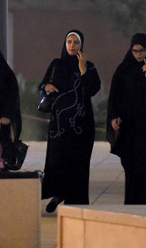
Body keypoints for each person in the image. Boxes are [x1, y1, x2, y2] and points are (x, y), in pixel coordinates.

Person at [39, 29, 101, 213]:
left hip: (81, 125)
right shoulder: (56, 64)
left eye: (76, 42)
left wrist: (83, 71)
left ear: (81, 45)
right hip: (59, 124)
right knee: (57, 160)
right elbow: (42, 86)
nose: (72, 46)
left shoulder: (89, 66)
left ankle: (75, 203)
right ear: (65, 44)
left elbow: (92, 90)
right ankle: (58, 193)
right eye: (69, 42)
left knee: (78, 163)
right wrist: (46, 87)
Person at [107, 33, 146, 205]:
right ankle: (131, 203)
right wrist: (113, 117)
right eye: (135, 51)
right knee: (131, 167)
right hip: (129, 128)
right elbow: (114, 96)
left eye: (142, 51)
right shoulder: (123, 69)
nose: (138, 55)